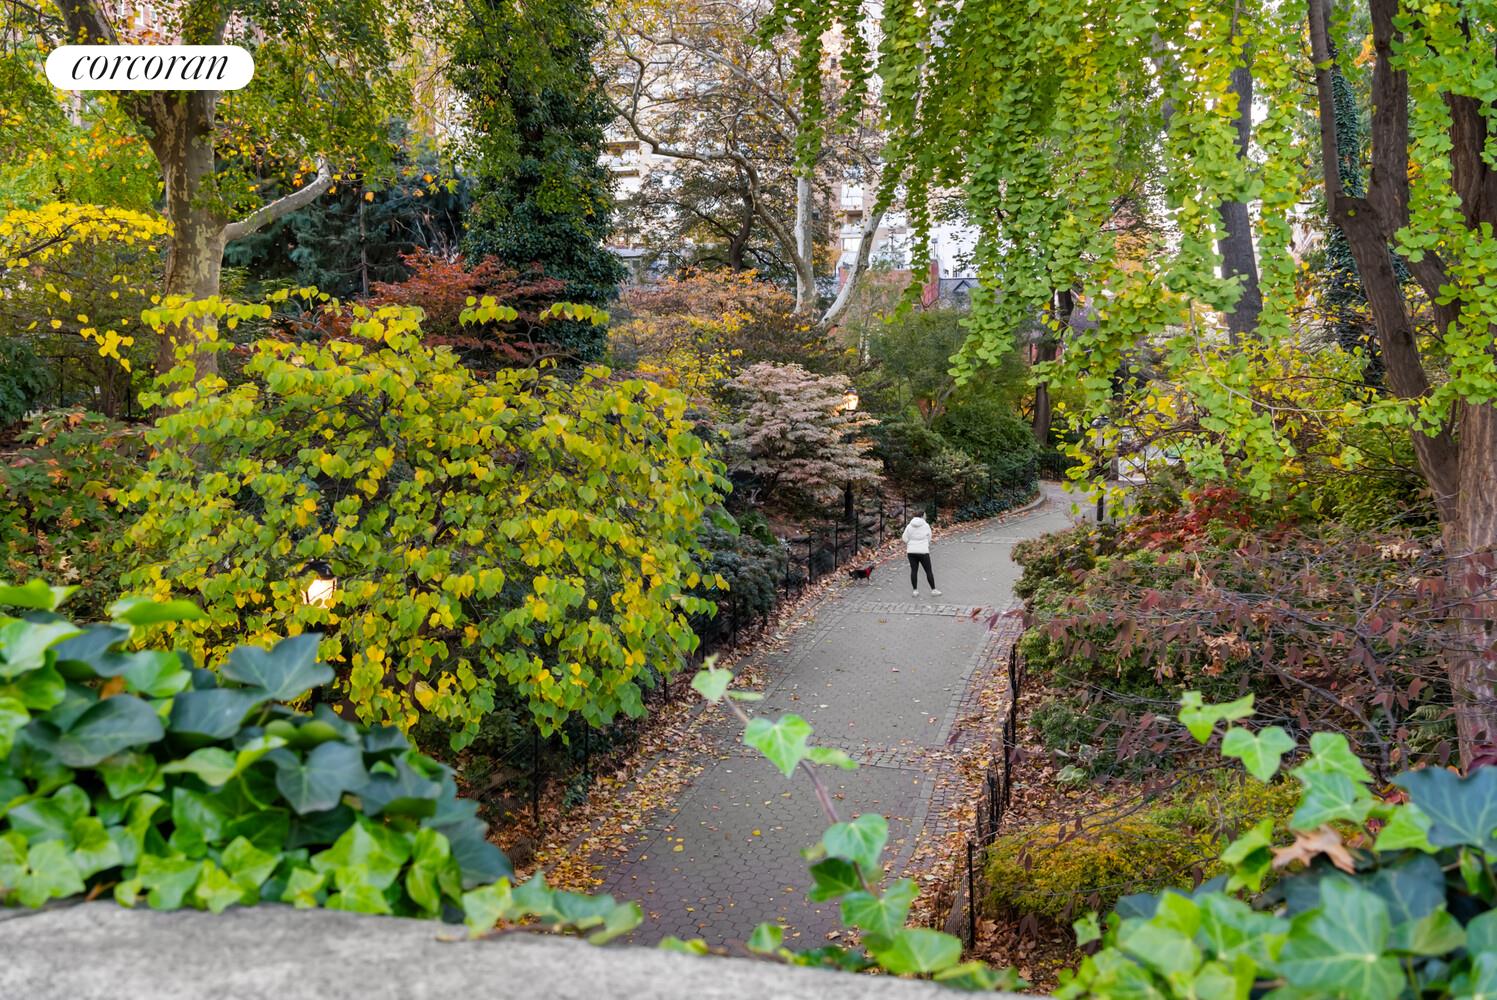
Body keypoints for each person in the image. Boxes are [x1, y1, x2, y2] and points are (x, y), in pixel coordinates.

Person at [902, 513, 941, 598]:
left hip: (911, 551)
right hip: (923, 551)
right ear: (922, 516)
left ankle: (915, 590)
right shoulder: (926, 525)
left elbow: (904, 538)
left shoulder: (909, 526)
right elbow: (929, 537)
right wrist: (924, 543)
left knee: (914, 570)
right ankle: (933, 590)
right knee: (928, 571)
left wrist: (911, 543)